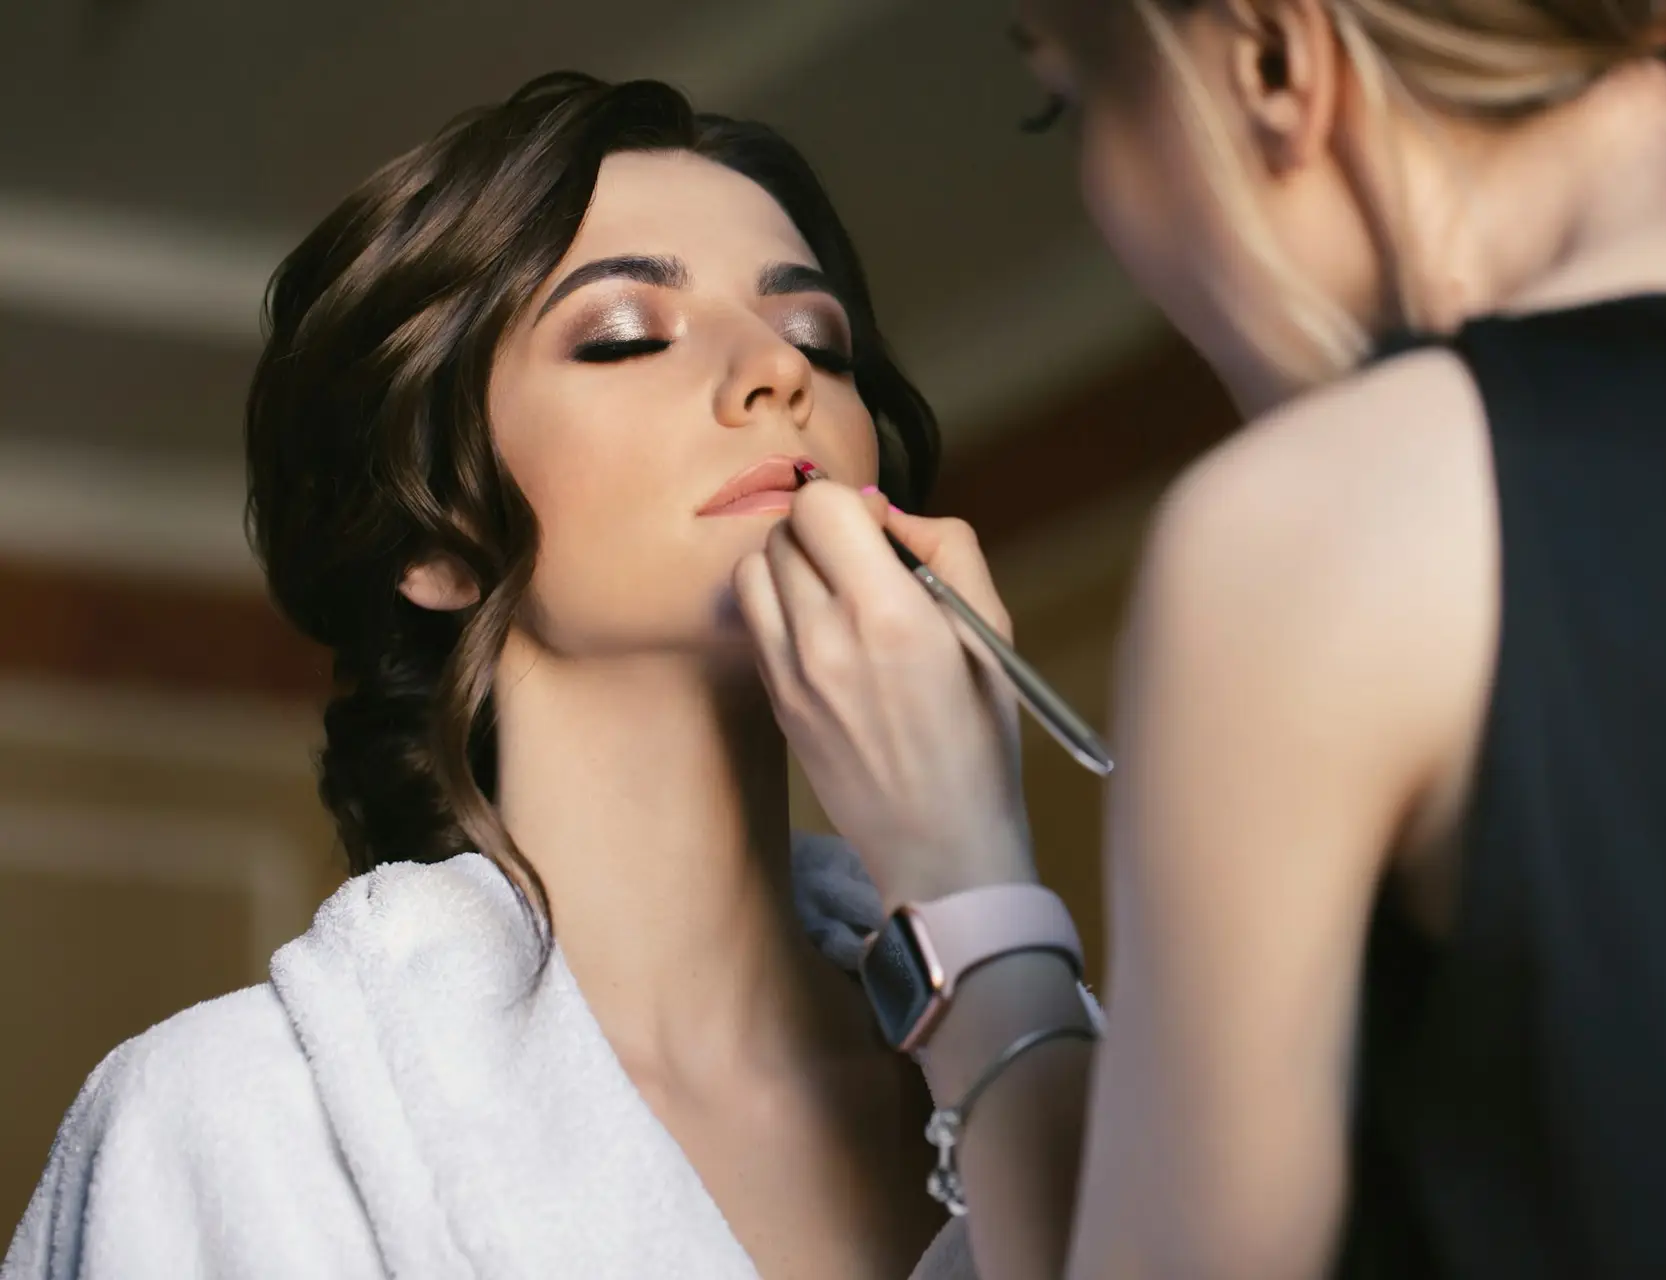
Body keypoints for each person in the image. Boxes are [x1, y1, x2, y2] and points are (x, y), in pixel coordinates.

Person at [737, 0, 1666, 1276]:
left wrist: (955, 860)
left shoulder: (1334, 521)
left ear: (1271, 58)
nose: (774, 377)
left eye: (1067, 105)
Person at [4, 72, 975, 1280]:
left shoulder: (1050, 1075)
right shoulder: (227, 1119)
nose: (777, 371)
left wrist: (979, 892)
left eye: (817, 339)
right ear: (437, 537)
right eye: (625, 335)